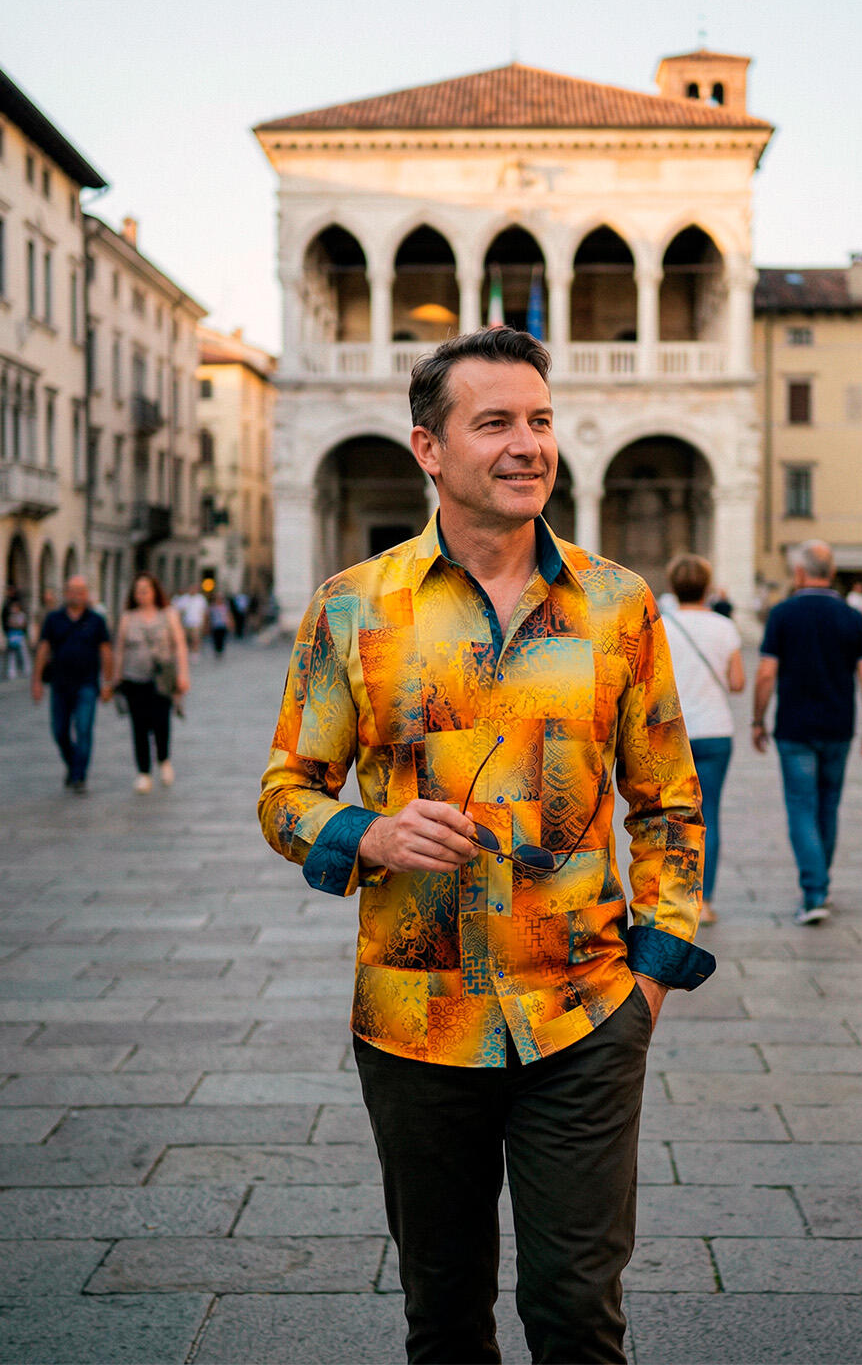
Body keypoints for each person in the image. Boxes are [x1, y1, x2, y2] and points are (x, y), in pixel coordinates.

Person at [259, 327, 714, 1365]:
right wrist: (364, 829)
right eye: (496, 422)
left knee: (576, 1315)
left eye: (540, 420)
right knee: (446, 1316)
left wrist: (651, 976)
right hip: (416, 1027)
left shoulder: (617, 605)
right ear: (428, 447)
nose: (528, 445)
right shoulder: (352, 607)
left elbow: (668, 805)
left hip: (586, 1018)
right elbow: (286, 791)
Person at [752, 541, 862, 924]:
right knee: (828, 806)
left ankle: (814, 892)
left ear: (800, 573)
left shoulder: (783, 614)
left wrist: (758, 719)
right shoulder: (851, 617)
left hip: (795, 728)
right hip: (839, 727)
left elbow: (765, 673)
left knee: (801, 807)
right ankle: (820, 886)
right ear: (832, 571)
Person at [661, 553, 744, 925]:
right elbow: (738, 682)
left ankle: (672, 900)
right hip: (715, 731)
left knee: (669, 817)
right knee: (708, 816)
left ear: (672, 586)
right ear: (708, 587)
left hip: (671, 732)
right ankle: (705, 901)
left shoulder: (662, 623)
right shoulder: (724, 627)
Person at [31, 576, 114, 793]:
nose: (76, 594)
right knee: (59, 731)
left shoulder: (96, 620)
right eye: (72, 590)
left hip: (87, 684)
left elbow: (106, 651)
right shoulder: (54, 619)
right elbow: (43, 649)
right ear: (65, 592)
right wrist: (36, 681)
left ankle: (79, 776)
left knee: (84, 729)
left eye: (81, 590)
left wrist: (107, 683)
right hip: (60, 685)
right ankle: (73, 764)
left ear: (87, 594)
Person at [113, 572, 189, 792]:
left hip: (162, 679)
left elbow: (180, 645)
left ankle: (164, 760)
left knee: (161, 723)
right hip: (134, 678)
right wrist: (116, 677)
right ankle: (143, 772)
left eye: (145, 590)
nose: (142, 595)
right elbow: (120, 649)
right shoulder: (128, 617)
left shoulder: (168, 615)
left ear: (155, 591)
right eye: (138, 591)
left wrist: (183, 675)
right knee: (138, 726)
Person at [2, 587, 31, 679]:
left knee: (23, 653)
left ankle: (27, 670)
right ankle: (12, 672)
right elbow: (8, 622)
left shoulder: (21, 614)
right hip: (12, 635)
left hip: (20, 635)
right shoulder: (8, 608)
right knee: (12, 654)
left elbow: (22, 624)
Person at [177, 584, 207, 654]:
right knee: (186, 639)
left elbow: (204, 611)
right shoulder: (184, 598)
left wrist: (204, 623)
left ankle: (195, 652)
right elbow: (179, 611)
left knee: (195, 638)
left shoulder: (200, 599)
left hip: (197, 622)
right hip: (186, 622)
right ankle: (188, 651)